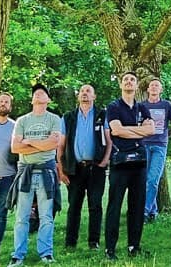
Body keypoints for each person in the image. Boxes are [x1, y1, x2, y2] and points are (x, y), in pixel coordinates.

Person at [10, 84, 64, 267]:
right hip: (25, 171)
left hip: (46, 172)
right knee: (21, 216)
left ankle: (46, 253)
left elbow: (54, 144)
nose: (38, 94)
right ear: (32, 99)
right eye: (35, 93)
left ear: (48, 100)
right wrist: (42, 143)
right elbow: (15, 148)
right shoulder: (22, 121)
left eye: (43, 93)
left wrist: (28, 141)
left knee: (46, 216)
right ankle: (18, 255)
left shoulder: (54, 119)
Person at [104, 72, 153, 260]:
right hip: (120, 163)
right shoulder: (114, 107)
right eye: (126, 79)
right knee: (114, 206)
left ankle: (134, 246)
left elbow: (151, 130)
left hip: (139, 163)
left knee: (137, 205)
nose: (129, 82)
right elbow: (115, 130)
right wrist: (138, 131)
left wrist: (127, 130)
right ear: (121, 85)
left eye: (132, 79)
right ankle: (110, 249)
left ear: (137, 85)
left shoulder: (142, 108)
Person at [62, 84, 109, 251]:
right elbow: (61, 145)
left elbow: (109, 141)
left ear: (94, 96)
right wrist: (61, 169)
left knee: (95, 205)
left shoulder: (102, 115)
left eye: (88, 91)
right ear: (78, 96)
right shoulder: (68, 117)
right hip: (75, 168)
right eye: (82, 91)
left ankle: (93, 242)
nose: (84, 94)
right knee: (74, 205)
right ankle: (70, 242)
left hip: (96, 167)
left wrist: (105, 161)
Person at [138, 77, 171, 223]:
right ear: (148, 89)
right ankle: (153, 211)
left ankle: (145, 212)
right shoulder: (141, 106)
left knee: (153, 180)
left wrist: (166, 135)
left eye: (157, 86)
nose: (154, 87)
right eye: (152, 85)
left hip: (160, 146)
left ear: (161, 90)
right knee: (145, 180)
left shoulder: (166, 105)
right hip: (144, 145)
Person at [0, 92, 18, 256]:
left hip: (7, 177)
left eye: (6, 102)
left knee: (1, 215)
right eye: (1, 101)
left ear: (10, 107)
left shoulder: (15, 126)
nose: (3, 104)